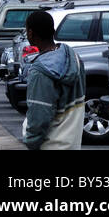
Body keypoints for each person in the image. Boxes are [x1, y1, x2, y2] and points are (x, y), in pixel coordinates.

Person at [21, 9, 86, 150]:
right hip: (73, 144)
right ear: (54, 31)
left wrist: (30, 142)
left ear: (30, 33)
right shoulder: (74, 59)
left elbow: (39, 116)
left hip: (49, 145)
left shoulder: (40, 71)